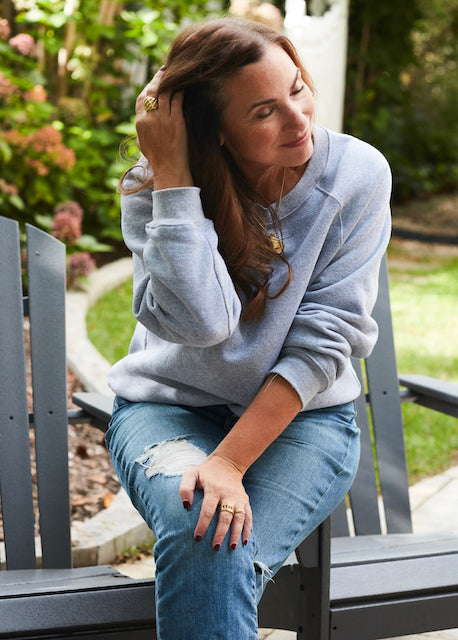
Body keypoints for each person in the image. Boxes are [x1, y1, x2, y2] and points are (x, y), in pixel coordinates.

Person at [106, 16, 391, 639]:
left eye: (297, 89)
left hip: (305, 421)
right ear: (216, 133)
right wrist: (177, 182)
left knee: (211, 543)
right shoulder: (153, 189)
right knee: (206, 532)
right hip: (168, 410)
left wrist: (229, 463)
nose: (299, 120)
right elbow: (202, 324)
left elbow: (326, 342)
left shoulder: (357, 176)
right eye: (264, 111)